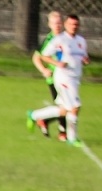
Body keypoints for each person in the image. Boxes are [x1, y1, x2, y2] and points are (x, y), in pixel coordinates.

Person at [27, 14, 88, 146]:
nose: (74, 27)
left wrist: (85, 60)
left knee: (64, 109)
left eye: (76, 24)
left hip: (75, 78)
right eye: (71, 24)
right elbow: (43, 56)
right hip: (63, 78)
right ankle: (70, 138)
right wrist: (55, 64)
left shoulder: (81, 41)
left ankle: (34, 115)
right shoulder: (57, 40)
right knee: (75, 106)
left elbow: (82, 57)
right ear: (66, 25)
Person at [30, 9, 67, 140]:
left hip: (66, 77)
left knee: (65, 106)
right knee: (65, 105)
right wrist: (44, 70)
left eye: (59, 23)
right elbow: (36, 58)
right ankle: (62, 132)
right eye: (54, 23)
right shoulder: (49, 40)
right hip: (54, 79)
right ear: (49, 25)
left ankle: (43, 120)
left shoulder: (66, 38)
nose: (57, 25)